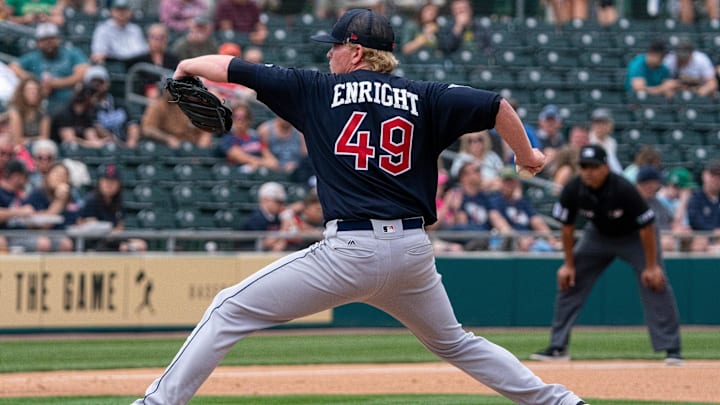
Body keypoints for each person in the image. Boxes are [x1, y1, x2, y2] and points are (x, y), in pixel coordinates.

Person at [133, 9, 588, 405]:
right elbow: (495, 105)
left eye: (333, 47)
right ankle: (561, 402)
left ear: (355, 51)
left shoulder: (314, 89)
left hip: (348, 251)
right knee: (456, 343)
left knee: (228, 308)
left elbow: (233, 67)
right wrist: (527, 156)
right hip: (412, 252)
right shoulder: (425, 95)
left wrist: (186, 65)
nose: (327, 55)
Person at [531, 144, 683, 366]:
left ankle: (672, 349)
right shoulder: (574, 188)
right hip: (598, 236)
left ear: (605, 167)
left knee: (655, 281)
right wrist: (568, 264)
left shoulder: (623, 188)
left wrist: (652, 265)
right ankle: (558, 347)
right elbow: (567, 227)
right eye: (584, 166)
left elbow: (648, 226)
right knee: (569, 282)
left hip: (634, 237)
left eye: (593, 166)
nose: (588, 171)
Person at [9, 22, 89, 116]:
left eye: (51, 39)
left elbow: (83, 72)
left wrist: (54, 83)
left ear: (58, 39)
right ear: (38, 43)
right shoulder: (33, 56)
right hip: (41, 103)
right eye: (44, 40)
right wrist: (36, 82)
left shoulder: (71, 53)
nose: (48, 43)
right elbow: (13, 67)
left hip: (68, 102)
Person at [76, 164, 147, 252]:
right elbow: (85, 226)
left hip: (112, 239)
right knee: (121, 247)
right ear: (100, 182)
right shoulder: (91, 200)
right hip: (94, 242)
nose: (109, 184)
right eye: (106, 180)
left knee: (140, 245)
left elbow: (120, 227)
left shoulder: (118, 202)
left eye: (113, 181)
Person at [490, 166, 560, 252]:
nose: (508, 185)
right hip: (509, 243)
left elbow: (537, 222)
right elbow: (502, 226)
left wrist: (551, 239)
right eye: (505, 181)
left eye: (511, 181)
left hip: (529, 241)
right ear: (500, 183)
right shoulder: (495, 202)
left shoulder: (522, 203)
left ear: (516, 183)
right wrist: (519, 240)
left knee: (546, 248)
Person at [140, 85, 213, 148]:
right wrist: (167, 138)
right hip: (166, 148)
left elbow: (205, 131)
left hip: (192, 147)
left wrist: (200, 151)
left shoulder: (191, 105)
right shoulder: (158, 105)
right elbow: (147, 129)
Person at [218, 102, 279, 172]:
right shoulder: (228, 139)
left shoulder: (256, 138)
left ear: (248, 119)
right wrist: (262, 163)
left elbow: (273, 161)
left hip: (258, 171)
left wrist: (258, 163)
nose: (239, 120)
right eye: (236, 117)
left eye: (243, 117)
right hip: (237, 174)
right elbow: (240, 157)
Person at [90, 0, 148, 65]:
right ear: (111, 11)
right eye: (118, 10)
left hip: (134, 64)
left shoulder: (135, 29)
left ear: (130, 12)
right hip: (113, 65)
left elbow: (142, 51)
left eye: (124, 10)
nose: (121, 13)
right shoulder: (103, 29)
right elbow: (98, 54)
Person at [635, 165, 677, 252]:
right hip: (641, 244)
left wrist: (678, 228)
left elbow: (672, 221)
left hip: (666, 238)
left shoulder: (656, 202)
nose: (656, 186)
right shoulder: (632, 201)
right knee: (666, 244)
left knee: (699, 241)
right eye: (654, 183)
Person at [240, 181, 287, 252]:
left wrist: (281, 242)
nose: (280, 205)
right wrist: (284, 230)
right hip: (250, 255)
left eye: (281, 202)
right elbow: (264, 243)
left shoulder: (276, 217)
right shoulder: (255, 219)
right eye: (277, 202)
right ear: (265, 200)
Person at [6, 77, 51, 147]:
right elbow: (17, 140)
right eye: (30, 90)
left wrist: (27, 140)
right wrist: (36, 139)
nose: (34, 93)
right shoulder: (15, 112)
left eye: (36, 90)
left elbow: (45, 138)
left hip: (38, 148)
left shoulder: (43, 112)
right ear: (22, 92)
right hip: (20, 147)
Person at [686, 159, 720, 252]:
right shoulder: (696, 197)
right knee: (700, 242)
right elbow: (695, 221)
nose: (716, 179)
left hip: (717, 240)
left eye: (719, 176)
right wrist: (713, 231)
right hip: (701, 238)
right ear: (704, 175)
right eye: (713, 175)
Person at [588, 108, 622, 174]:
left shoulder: (612, 142)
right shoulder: (587, 139)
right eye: (597, 123)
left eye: (603, 123)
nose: (600, 126)